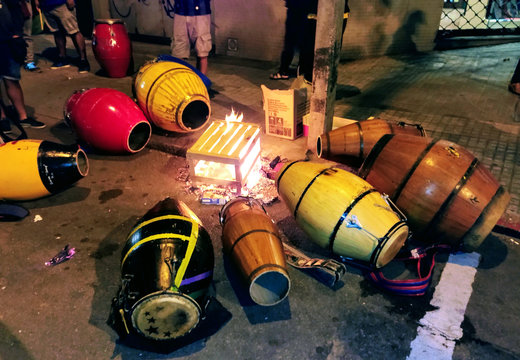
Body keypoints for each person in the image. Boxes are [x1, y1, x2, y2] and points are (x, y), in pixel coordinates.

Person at [0, 0, 46, 132]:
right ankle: (2, 118)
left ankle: (23, 117)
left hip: (8, 40)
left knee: (12, 79)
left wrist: (17, 33)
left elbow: (16, 9)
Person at [299, 0, 349, 84]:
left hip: (318, 14)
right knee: (331, 49)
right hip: (335, 14)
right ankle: (322, 80)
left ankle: (312, 79)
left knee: (314, 48)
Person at [34, 0, 90, 73]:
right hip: (46, 6)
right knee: (56, 32)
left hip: (61, 4)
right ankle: (63, 58)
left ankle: (83, 60)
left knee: (74, 31)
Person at [171, 0, 212, 75]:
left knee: (202, 50)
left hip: (201, 11)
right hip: (181, 10)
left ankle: (202, 83)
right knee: (179, 49)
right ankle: (180, 81)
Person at [270, 0, 307, 80]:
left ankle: (283, 71)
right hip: (307, 12)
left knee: (289, 42)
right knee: (304, 44)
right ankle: (301, 73)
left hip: (294, 10)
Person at [21, 0, 40, 71]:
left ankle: (29, 62)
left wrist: (35, 4)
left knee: (27, 36)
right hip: (9, 7)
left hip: (24, 6)